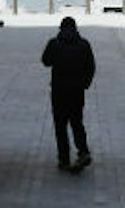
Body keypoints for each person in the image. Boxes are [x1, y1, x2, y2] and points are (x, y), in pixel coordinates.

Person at [41, 16, 96, 172]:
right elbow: (91, 67)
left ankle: (64, 159)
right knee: (77, 123)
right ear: (75, 28)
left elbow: (45, 61)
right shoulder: (84, 44)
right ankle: (83, 152)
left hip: (59, 92)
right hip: (77, 92)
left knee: (60, 126)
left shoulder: (54, 43)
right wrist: (85, 84)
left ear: (61, 28)